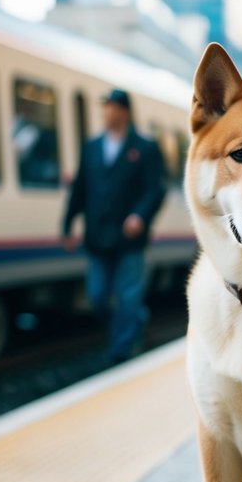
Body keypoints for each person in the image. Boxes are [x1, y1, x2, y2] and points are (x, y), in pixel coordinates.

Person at [61, 89, 166, 364]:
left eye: (111, 107)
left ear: (125, 112)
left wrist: (140, 216)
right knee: (97, 295)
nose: (106, 112)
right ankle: (135, 321)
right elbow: (80, 189)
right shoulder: (92, 147)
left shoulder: (144, 148)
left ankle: (121, 352)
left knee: (127, 294)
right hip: (96, 237)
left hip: (129, 239)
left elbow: (155, 190)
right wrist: (67, 224)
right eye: (104, 107)